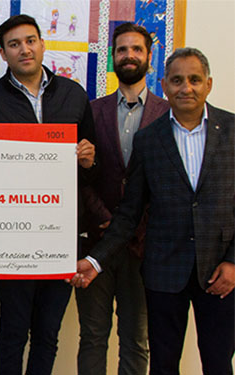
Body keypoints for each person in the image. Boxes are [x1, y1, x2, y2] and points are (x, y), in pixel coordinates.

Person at [71, 47, 234, 375]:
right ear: (164, 85)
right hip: (163, 273)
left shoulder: (232, 131)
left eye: (194, 79)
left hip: (221, 273)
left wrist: (233, 261)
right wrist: (95, 260)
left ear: (209, 84)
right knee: (162, 364)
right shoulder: (149, 140)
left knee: (218, 363)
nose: (185, 87)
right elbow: (130, 212)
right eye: (176, 80)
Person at [0, 14, 96, 375]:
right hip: (13, 238)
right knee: (12, 333)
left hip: (62, 236)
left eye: (30, 40)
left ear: (42, 44)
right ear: (3, 53)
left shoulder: (73, 94)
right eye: (14, 44)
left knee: (48, 333)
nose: (24, 49)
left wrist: (90, 159)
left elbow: (93, 168)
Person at [76, 23, 169, 375]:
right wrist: (107, 220)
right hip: (98, 240)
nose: (128, 55)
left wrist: (134, 227)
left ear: (149, 56)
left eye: (136, 49)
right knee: (93, 336)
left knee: (136, 338)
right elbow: (83, 174)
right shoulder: (92, 110)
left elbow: (168, 179)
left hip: (145, 246)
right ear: (112, 58)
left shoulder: (166, 112)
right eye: (121, 50)